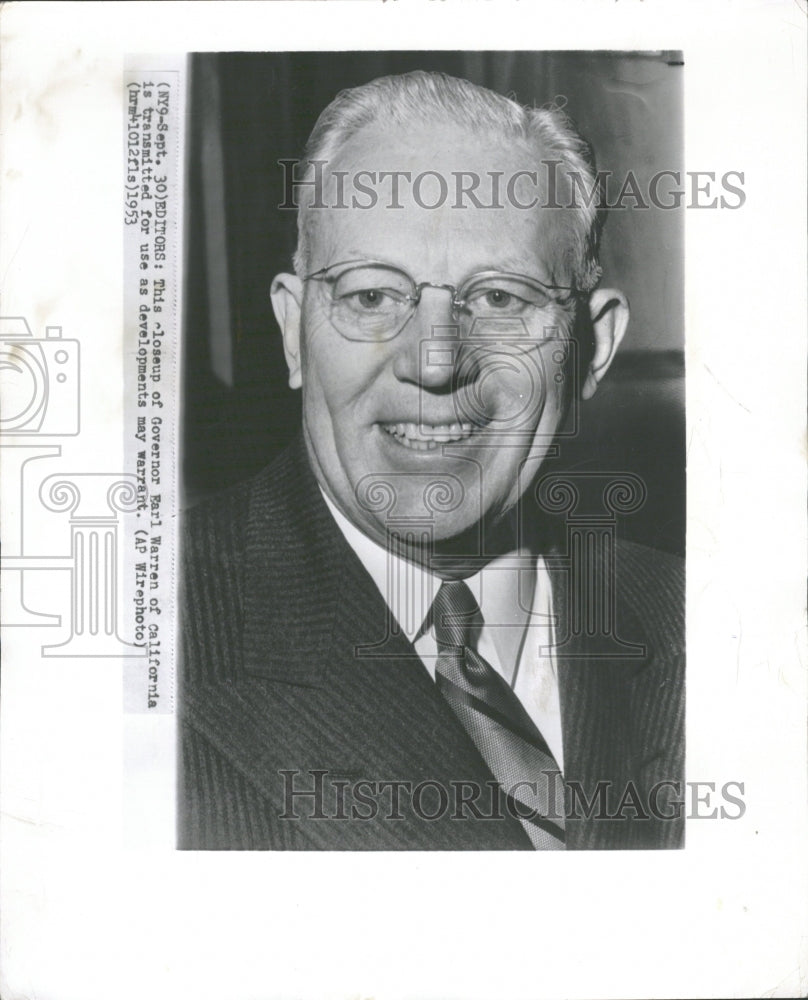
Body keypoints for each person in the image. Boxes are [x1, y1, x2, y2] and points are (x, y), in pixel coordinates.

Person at [178, 71, 684, 851]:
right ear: (293, 331)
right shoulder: (142, 645)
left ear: (593, 349)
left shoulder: (718, 626)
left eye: (501, 299)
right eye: (373, 296)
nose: (437, 362)